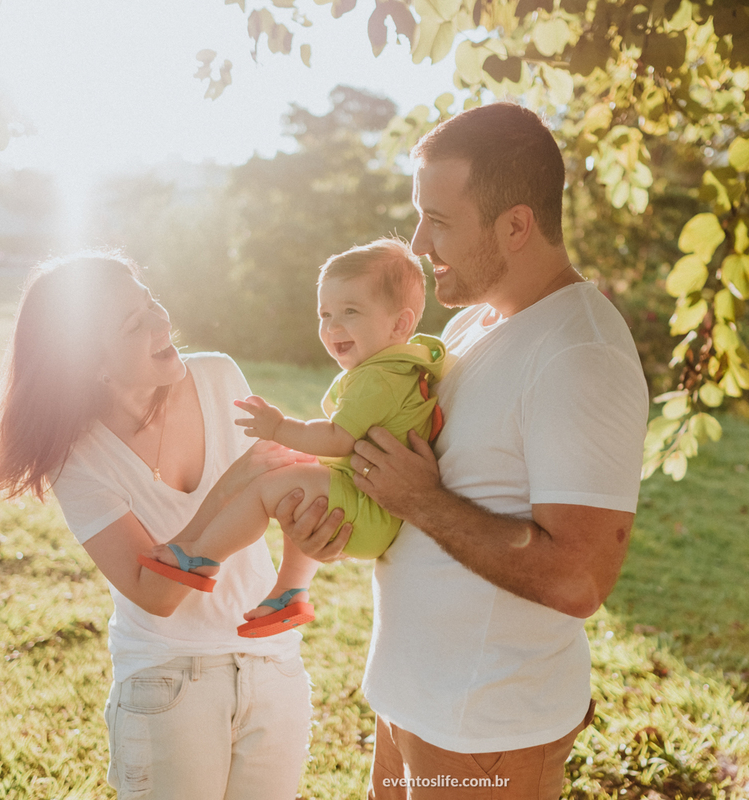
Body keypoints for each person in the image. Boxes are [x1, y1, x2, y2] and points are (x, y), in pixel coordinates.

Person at [281, 103, 651, 799]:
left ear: (515, 225)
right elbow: (417, 488)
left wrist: (419, 501)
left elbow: (580, 579)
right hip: (413, 702)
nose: (419, 243)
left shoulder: (581, 354)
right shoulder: (470, 324)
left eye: (440, 221)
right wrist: (346, 523)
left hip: (488, 734)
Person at [0, 252, 315, 800]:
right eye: (134, 324)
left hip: (272, 665)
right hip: (169, 681)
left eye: (150, 300)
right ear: (90, 364)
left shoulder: (219, 375)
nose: (162, 322)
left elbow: (284, 493)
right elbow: (155, 594)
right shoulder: (77, 456)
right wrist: (229, 488)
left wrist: (312, 530)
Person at [140, 238, 448, 639]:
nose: (333, 327)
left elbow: (338, 438)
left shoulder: (379, 379)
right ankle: (291, 591)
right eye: (325, 314)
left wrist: (279, 428)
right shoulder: (392, 367)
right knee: (297, 472)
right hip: (372, 502)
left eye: (350, 312)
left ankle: (202, 555)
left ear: (400, 324)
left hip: (372, 506)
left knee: (269, 488)